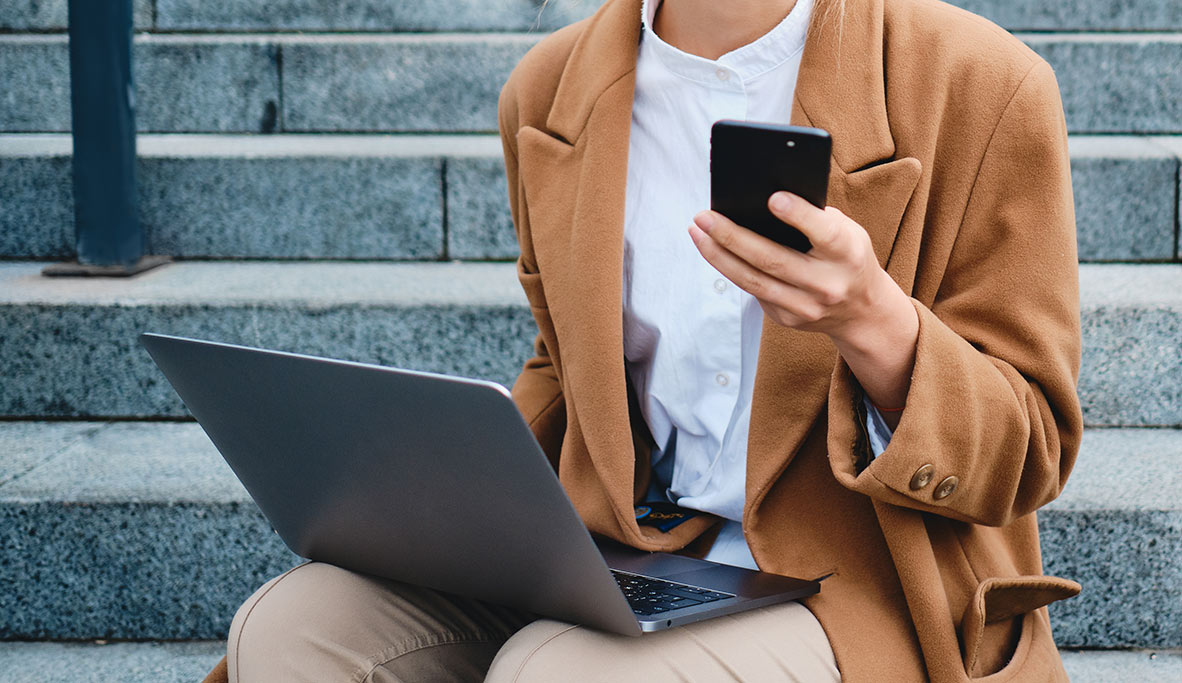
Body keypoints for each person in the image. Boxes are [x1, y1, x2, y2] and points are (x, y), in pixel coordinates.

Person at [209, 0, 1083, 680]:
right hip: (633, 556)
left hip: (861, 586)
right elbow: (563, 370)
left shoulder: (979, 83)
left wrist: (874, 323)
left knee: (558, 673)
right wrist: (432, 502)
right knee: (294, 629)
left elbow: (1031, 445)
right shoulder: (546, 91)